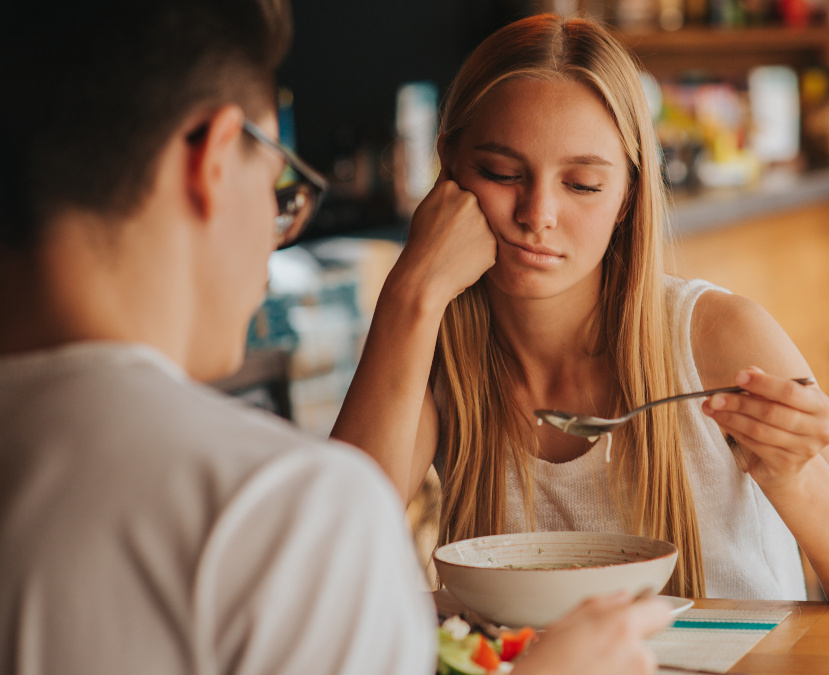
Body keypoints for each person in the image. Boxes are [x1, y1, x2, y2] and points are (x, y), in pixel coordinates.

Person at [0, 2, 671, 673]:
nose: (538, 215)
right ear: (212, 156)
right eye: (279, 182)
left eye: (582, 183)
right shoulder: (282, 509)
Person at [333, 14, 829, 604]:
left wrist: (794, 477)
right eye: (502, 173)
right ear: (449, 169)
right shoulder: (437, 357)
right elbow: (328, 558)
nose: (538, 213)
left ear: (626, 197)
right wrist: (410, 291)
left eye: (583, 185)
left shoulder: (718, 339)